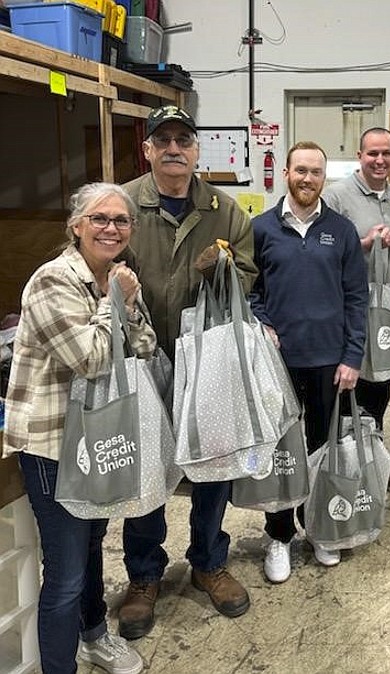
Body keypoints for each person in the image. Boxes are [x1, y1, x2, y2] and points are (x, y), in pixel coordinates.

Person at [118, 105, 258, 639]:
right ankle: (144, 575)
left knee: (214, 464)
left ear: (197, 151)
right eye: (164, 140)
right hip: (143, 357)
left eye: (184, 139)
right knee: (147, 469)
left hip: (209, 359)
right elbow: (95, 257)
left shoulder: (225, 209)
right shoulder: (124, 203)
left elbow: (247, 272)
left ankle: (208, 561)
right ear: (148, 150)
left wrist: (219, 270)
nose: (175, 148)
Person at [3, 183, 151, 674]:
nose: (111, 228)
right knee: (65, 573)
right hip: (52, 444)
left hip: (99, 436)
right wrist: (116, 304)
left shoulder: (117, 277)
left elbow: (145, 345)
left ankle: (93, 637)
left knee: (90, 549)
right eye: (100, 219)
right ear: (77, 226)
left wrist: (120, 303)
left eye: (121, 221)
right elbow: (90, 358)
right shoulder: (52, 281)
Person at [249, 141, 368, 583]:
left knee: (320, 450)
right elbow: (251, 291)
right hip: (277, 364)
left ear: (324, 178)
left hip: (328, 362)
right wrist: (262, 323)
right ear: (286, 173)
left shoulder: (341, 230)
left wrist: (353, 355)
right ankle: (279, 535)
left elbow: (358, 297)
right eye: (300, 170)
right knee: (282, 454)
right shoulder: (260, 229)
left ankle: (319, 527)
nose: (307, 179)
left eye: (315, 172)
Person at [322, 127, 390, 493]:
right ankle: (345, 467)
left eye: (386, 153)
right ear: (359, 155)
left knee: (379, 389)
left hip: (385, 311)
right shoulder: (337, 197)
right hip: (349, 311)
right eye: (372, 153)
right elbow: (322, 252)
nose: (380, 160)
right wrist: (364, 243)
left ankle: (374, 458)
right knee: (347, 392)